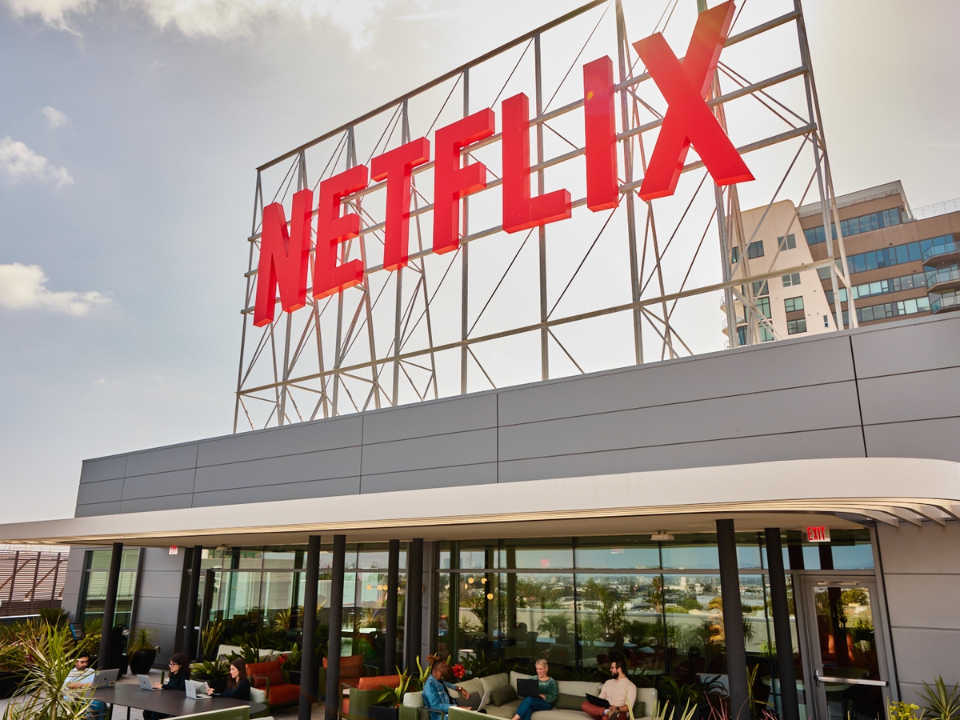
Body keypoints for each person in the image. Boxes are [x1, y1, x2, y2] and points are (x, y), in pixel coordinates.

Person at [144, 653, 191, 720]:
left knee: (155, 715)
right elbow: (170, 686)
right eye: (170, 664)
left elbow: (182, 687)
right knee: (146, 712)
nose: (171, 666)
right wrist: (160, 686)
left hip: (175, 704)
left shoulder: (184, 675)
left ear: (180, 665)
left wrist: (163, 686)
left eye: (173, 664)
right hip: (168, 701)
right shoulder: (173, 674)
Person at [63, 651, 108, 720]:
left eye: (86, 662)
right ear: (75, 662)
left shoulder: (90, 671)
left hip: (88, 696)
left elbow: (96, 682)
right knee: (99, 704)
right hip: (75, 699)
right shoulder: (71, 673)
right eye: (82, 662)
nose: (85, 664)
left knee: (102, 703)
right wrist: (86, 684)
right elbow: (70, 685)